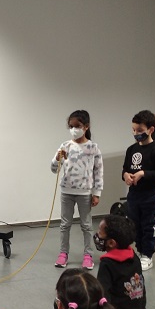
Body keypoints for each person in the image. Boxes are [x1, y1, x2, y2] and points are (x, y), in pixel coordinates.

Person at [51, 109, 103, 270]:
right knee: (65, 225)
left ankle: (88, 255)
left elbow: (98, 171)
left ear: (86, 126)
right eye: (71, 126)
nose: (74, 129)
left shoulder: (93, 148)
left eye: (77, 126)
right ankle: (63, 253)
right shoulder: (65, 146)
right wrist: (57, 158)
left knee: (86, 225)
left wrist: (96, 193)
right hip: (66, 192)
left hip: (84, 193)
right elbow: (54, 169)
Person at [122, 109, 155, 272]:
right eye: (133, 130)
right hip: (134, 195)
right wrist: (126, 175)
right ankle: (139, 251)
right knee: (134, 226)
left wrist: (143, 174)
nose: (136, 133)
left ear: (151, 129)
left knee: (149, 226)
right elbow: (125, 170)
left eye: (140, 130)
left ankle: (147, 255)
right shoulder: (131, 150)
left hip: (151, 196)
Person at [94, 214, 146, 309]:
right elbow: (141, 287)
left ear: (111, 243)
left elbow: (102, 294)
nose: (97, 235)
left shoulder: (107, 263)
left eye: (100, 233)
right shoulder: (135, 257)